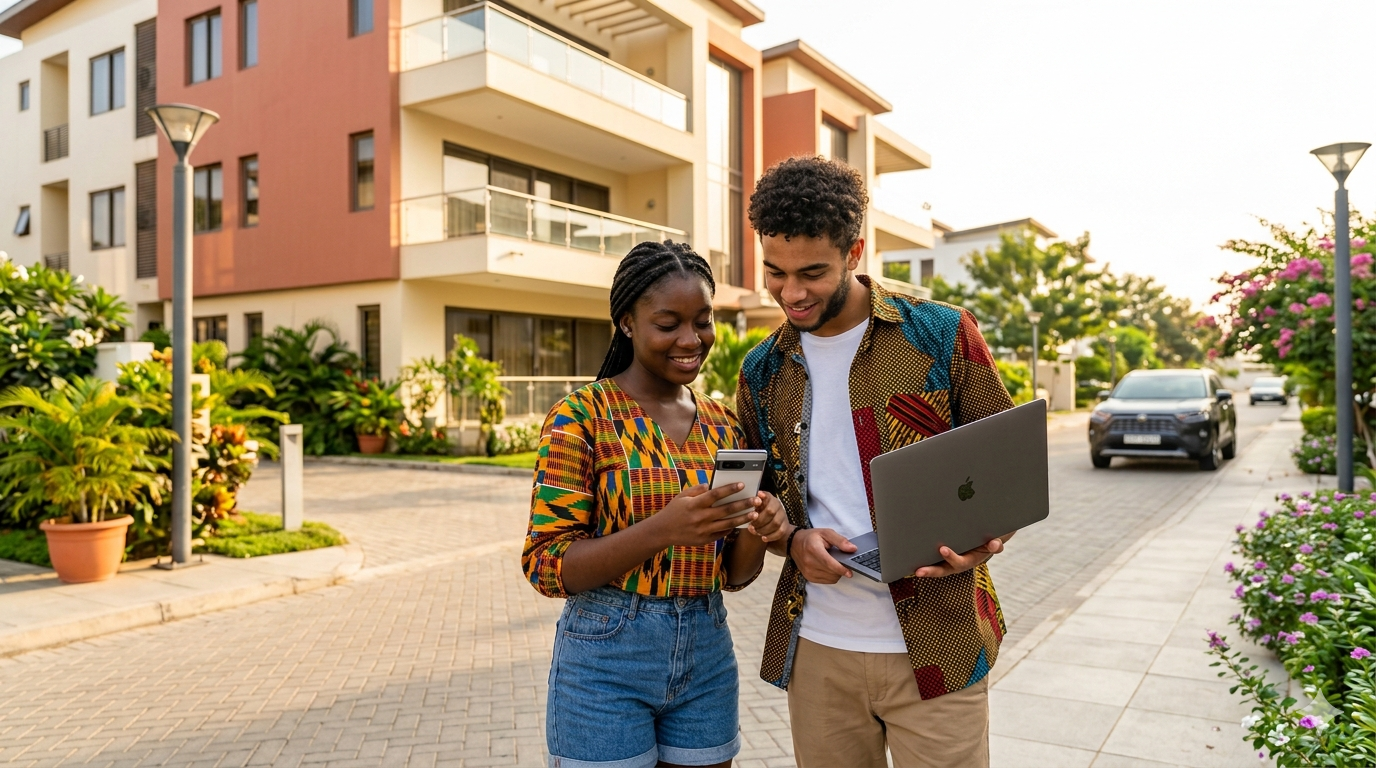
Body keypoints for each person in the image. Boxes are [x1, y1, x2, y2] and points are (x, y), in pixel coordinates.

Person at [735, 157, 1017, 768]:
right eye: (775, 273)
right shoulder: (760, 371)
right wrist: (794, 539)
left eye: (812, 272)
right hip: (817, 651)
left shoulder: (941, 334)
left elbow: (1006, 470)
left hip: (939, 645)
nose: (792, 293)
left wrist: (983, 541)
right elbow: (767, 507)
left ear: (855, 249)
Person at [522, 240, 788, 768]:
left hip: (707, 650)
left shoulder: (723, 424)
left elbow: (733, 576)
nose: (691, 340)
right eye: (668, 324)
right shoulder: (581, 417)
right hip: (605, 655)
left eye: (703, 320)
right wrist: (662, 529)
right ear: (626, 322)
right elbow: (546, 565)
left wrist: (760, 527)